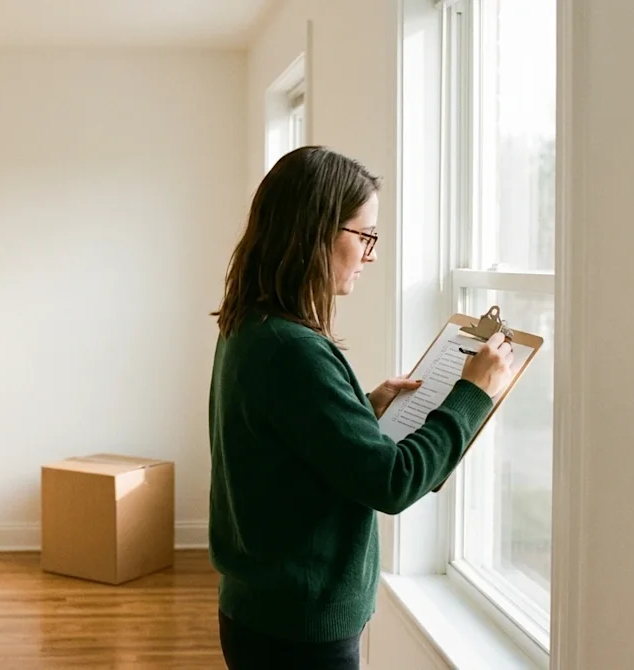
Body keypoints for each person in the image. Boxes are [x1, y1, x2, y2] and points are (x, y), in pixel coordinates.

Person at [208, 146, 514, 669]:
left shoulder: (252, 325)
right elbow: (391, 481)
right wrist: (472, 394)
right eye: (365, 235)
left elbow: (284, 443)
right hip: (298, 633)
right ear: (315, 231)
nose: (371, 254)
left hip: (262, 613)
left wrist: (362, 408)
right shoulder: (293, 349)